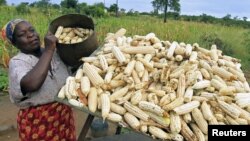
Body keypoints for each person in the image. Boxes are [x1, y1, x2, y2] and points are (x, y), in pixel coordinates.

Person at [2, 19, 76, 141]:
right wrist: (48, 50)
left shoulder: (56, 53)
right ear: (15, 43)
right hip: (38, 120)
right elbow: (32, 84)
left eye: (32, 30)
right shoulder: (18, 62)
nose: (30, 35)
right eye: (22, 34)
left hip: (64, 115)